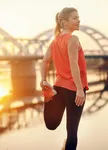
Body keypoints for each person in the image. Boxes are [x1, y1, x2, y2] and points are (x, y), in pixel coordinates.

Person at [40, 7, 89, 150]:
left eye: (78, 17)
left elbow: (44, 61)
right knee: (72, 134)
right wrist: (80, 89)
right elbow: (74, 64)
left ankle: (49, 97)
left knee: (51, 124)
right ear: (64, 22)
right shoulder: (73, 39)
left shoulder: (55, 40)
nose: (79, 20)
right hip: (74, 89)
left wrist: (43, 79)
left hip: (58, 87)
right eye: (75, 18)